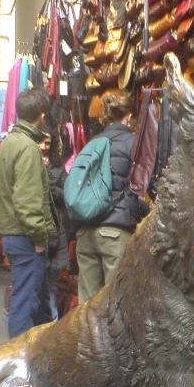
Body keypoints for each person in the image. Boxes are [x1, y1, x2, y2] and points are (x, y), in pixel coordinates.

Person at [0, 88, 56, 339]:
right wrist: (40, 239)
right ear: (42, 116)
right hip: (25, 237)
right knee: (25, 303)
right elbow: (27, 203)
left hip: (13, 234)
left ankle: (28, 355)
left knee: (26, 299)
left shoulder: (8, 144)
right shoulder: (28, 149)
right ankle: (19, 360)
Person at [74, 92, 145, 303]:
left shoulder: (92, 143)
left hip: (86, 231)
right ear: (130, 118)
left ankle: (86, 338)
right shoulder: (133, 143)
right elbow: (140, 184)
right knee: (115, 303)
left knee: (86, 308)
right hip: (114, 233)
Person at [41, 131, 71, 320]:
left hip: (55, 229)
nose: (44, 146)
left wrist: (55, 191)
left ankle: (51, 320)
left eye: (47, 143)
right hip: (38, 227)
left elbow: (68, 196)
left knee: (50, 281)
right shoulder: (29, 161)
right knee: (36, 280)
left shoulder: (59, 169)